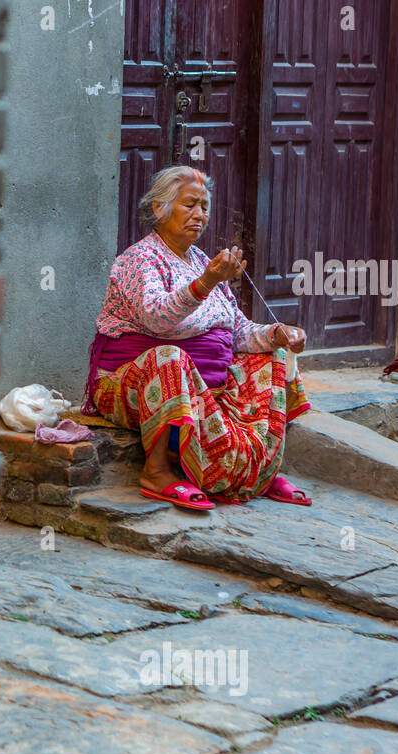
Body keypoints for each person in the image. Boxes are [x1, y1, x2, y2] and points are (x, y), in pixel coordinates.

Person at [80, 165, 313, 510]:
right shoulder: (140, 259)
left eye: (204, 207)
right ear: (160, 209)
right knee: (169, 357)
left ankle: (260, 470)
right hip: (130, 385)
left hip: (204, 388)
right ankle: (156, 471)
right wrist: (206, 282)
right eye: (189, 204)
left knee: (273, 359)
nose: (199, 215)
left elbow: (238, 332)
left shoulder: (201, 261)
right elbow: (157, 321)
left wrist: (278, 333)